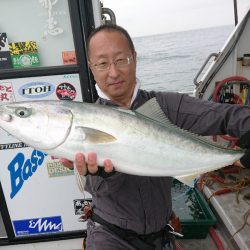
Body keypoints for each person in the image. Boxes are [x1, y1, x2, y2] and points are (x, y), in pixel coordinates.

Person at [60, 24, 250, 250]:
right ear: (92, 68)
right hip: (109, 237)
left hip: (161, 236)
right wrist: (104, 175)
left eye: (121, 60)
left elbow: (224, 115)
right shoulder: (87, 123)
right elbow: (95, 189)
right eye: (102, 63)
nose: (113, 72)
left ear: (135, 58)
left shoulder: (166, 106)